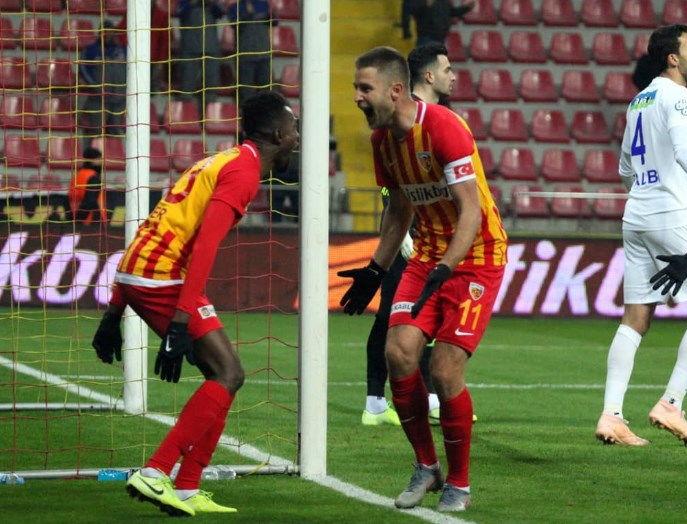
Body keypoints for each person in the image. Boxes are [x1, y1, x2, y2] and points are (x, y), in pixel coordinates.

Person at [91, 91, 298, 516]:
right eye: (294, 130)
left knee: (222, 375)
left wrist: (115, 309)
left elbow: (159, 222)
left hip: (140, 269)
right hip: (162, 276)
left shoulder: (222, 160)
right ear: (279, 134)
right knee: (229, 373)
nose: (297, 138)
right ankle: (156, 472)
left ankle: (187, 486)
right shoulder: (242, 171)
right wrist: (180, 323)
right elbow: (204, 246)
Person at [340, 46, 507, 512]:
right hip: (428, 257)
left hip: (476, 257)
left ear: (396, 90)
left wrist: (447, 267)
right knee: (398, 353)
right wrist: (376, 269)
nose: (357, 97)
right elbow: (399, 209)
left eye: (365, 88)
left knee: (445, 369)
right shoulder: (381, 141)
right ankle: (426, 466)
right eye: (355, 88)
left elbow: (471, 210)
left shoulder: (444, 127)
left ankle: (460, 484)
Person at [594, 25, 687, 448]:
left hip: (636, 214)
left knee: (635, 317)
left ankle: (611, 415)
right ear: (673, 58)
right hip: (673, 213)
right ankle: (671, 403)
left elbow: (624, 167)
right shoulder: (679, 95)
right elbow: (684, 150)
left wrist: (647, 187)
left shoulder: (639, 100)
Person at [361, 42, 459, 428]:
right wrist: (402, 236)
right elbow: (395, 186)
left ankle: (428, 397)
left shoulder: (442, 118)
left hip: (436, 240)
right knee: (392, 317)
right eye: (447, 69)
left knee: (426, 318)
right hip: (410, 240)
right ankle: (375, 400)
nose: (454, 76)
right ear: (429, 75)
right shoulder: (400, 117)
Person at [78, 20, 127, 145]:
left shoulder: (123, 50)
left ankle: (113, 155)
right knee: (96, 131)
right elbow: (83, 69)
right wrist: (95, 86)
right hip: (98, 99)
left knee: (115, 132)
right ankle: (92, 155)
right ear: (100, 33)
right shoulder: (90, 50)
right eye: (105, 33)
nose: (108, 35)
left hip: (119, 100)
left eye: (111, 33)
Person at [177, 0, 224, 111]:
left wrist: (210, 3)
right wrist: (193, 3)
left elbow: (221, 13)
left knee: (211, 86)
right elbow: (179, 12)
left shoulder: (212, 3)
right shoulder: (184, 2)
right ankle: (187, 116)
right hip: (189, 47)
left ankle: (210, 115)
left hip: (210, 47)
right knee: (187, 85)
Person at [228, 0, 272, 102]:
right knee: (246, 92)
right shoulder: (235, 7)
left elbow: (274, 22)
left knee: (265, 92)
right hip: (245, 55)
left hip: (263, 54)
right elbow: (234, 24)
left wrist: (270, 14)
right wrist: (248, 15)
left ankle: (264, 112)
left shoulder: (263, 4)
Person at [401, 0, 475, 47]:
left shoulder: (444, 1)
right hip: (426, 38)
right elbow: (411, 11)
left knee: (435, 65)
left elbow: (451, 12)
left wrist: (466, 8)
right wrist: (425, 5)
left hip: (441, 39)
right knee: (426, 64)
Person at [68, 146, 107, 225]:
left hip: (75, 217)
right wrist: (79, 221)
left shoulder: (77, 175)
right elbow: (90, 201)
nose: (101, 162)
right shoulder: (93, 178)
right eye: (99, 159)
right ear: (92, 160)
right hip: (91, 222)